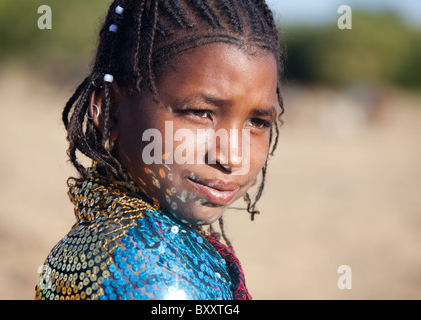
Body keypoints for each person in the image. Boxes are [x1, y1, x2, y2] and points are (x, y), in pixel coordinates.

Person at [35, 0, 284, 300]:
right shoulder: (157, 279)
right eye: (199, 112)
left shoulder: (104, 237)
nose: (232, 157)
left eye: (257, 121)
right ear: (109, 109)